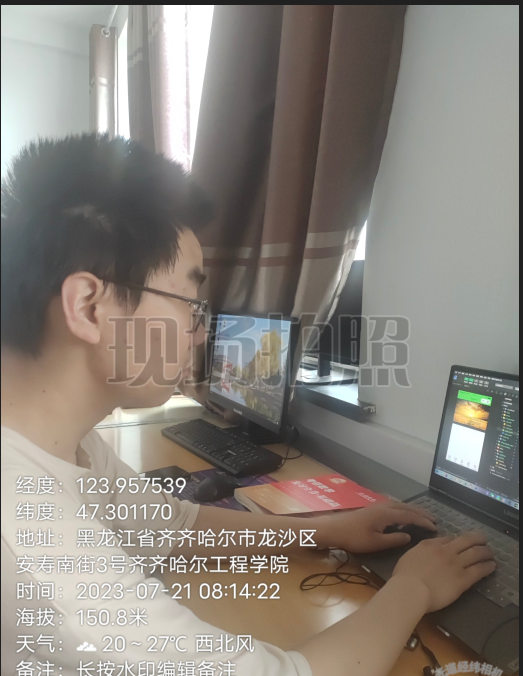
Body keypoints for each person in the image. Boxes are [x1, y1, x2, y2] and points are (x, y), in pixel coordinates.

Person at [1, 134, 496, 676]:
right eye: (191, 304)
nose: (199, 334)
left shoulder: (63, 442)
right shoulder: (34, 540)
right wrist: (414, 587)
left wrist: (325, 530)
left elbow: (170, 525)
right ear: (89, 307)